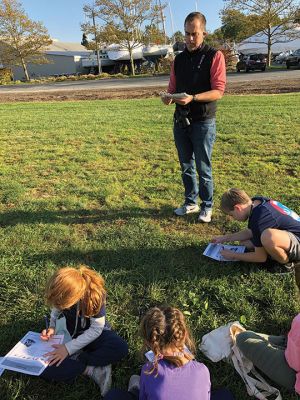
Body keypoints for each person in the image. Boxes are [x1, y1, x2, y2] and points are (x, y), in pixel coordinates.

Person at [161, 12, 226, 223]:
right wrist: (168, 98)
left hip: (203, 121)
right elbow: (172, 88)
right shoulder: (178, 60)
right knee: (186, 165)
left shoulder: (214, 56)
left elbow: (218, 91)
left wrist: (194, 98)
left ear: (204, 33)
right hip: (181, 121)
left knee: (203, 167)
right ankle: (190, 202)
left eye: (194, 34)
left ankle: (207, 205)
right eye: (186, 34)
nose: (189, 39)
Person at [104, 306, 234, 400]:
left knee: (113, 395)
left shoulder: (149, 370)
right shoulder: (202, 370)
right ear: (184, 336)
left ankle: (134, 388)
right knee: (225, 395)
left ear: (150, 343)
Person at [40, 265, 128, 396]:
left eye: (61, 304)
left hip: (95, 335)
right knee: (41, 367)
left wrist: (68, 349)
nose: (58, 306)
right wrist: (52, 327)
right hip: (69, 334)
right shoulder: (63, 296)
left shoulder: (96, 295)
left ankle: (79, 359)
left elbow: (96, 329)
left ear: (75, 296)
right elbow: (55, 310)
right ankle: (91, 369)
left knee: (120, 347)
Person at [235, 266, 300, 394]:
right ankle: (287, 341)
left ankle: (286, 342)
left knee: (243, 338)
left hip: (294, 372)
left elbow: (293, 363)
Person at [212, 188, 300, 271]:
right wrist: (225, 238)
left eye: (232, 215)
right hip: (290, 234)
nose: (233, 218)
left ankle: (286, 265)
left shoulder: (259, 218)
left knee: (268, 237)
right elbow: (251, 231)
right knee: (245, 243)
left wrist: (233, 255)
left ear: (237, 208)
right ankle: (275, 251)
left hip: (298, 240)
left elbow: (261, 257)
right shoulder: (256, 202)